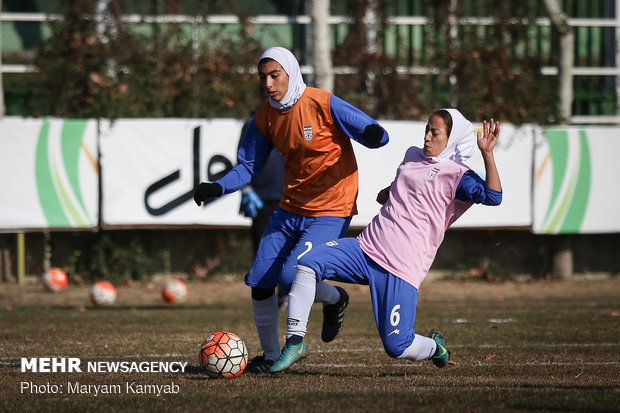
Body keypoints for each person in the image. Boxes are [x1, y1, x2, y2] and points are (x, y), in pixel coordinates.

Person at [193, 46, 389, 373]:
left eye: (275, 75)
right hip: (290, 208)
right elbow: (248, 166)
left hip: (331, 207)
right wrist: (217, 187)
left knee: (291, 274)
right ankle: (272, 354)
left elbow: (374, 134)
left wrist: (371, 133)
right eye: (263, 77)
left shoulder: (321, 102)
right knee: (260, 281)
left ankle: (314, 321)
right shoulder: (265, 116)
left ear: (291, 73)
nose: (268, 84)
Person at [269, 109, 502, 373]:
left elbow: (493, 197)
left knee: (397, 346)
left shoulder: (458, 175)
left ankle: (436, 347)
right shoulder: (413, 155)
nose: (426, 137)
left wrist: (488, 154)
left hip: (401, 268)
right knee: (307, 264)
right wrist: (389, 193)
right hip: (366, 247)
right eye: (426, 129)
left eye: (434, 133)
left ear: (451, 139)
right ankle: (295, 342)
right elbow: (402, 189)